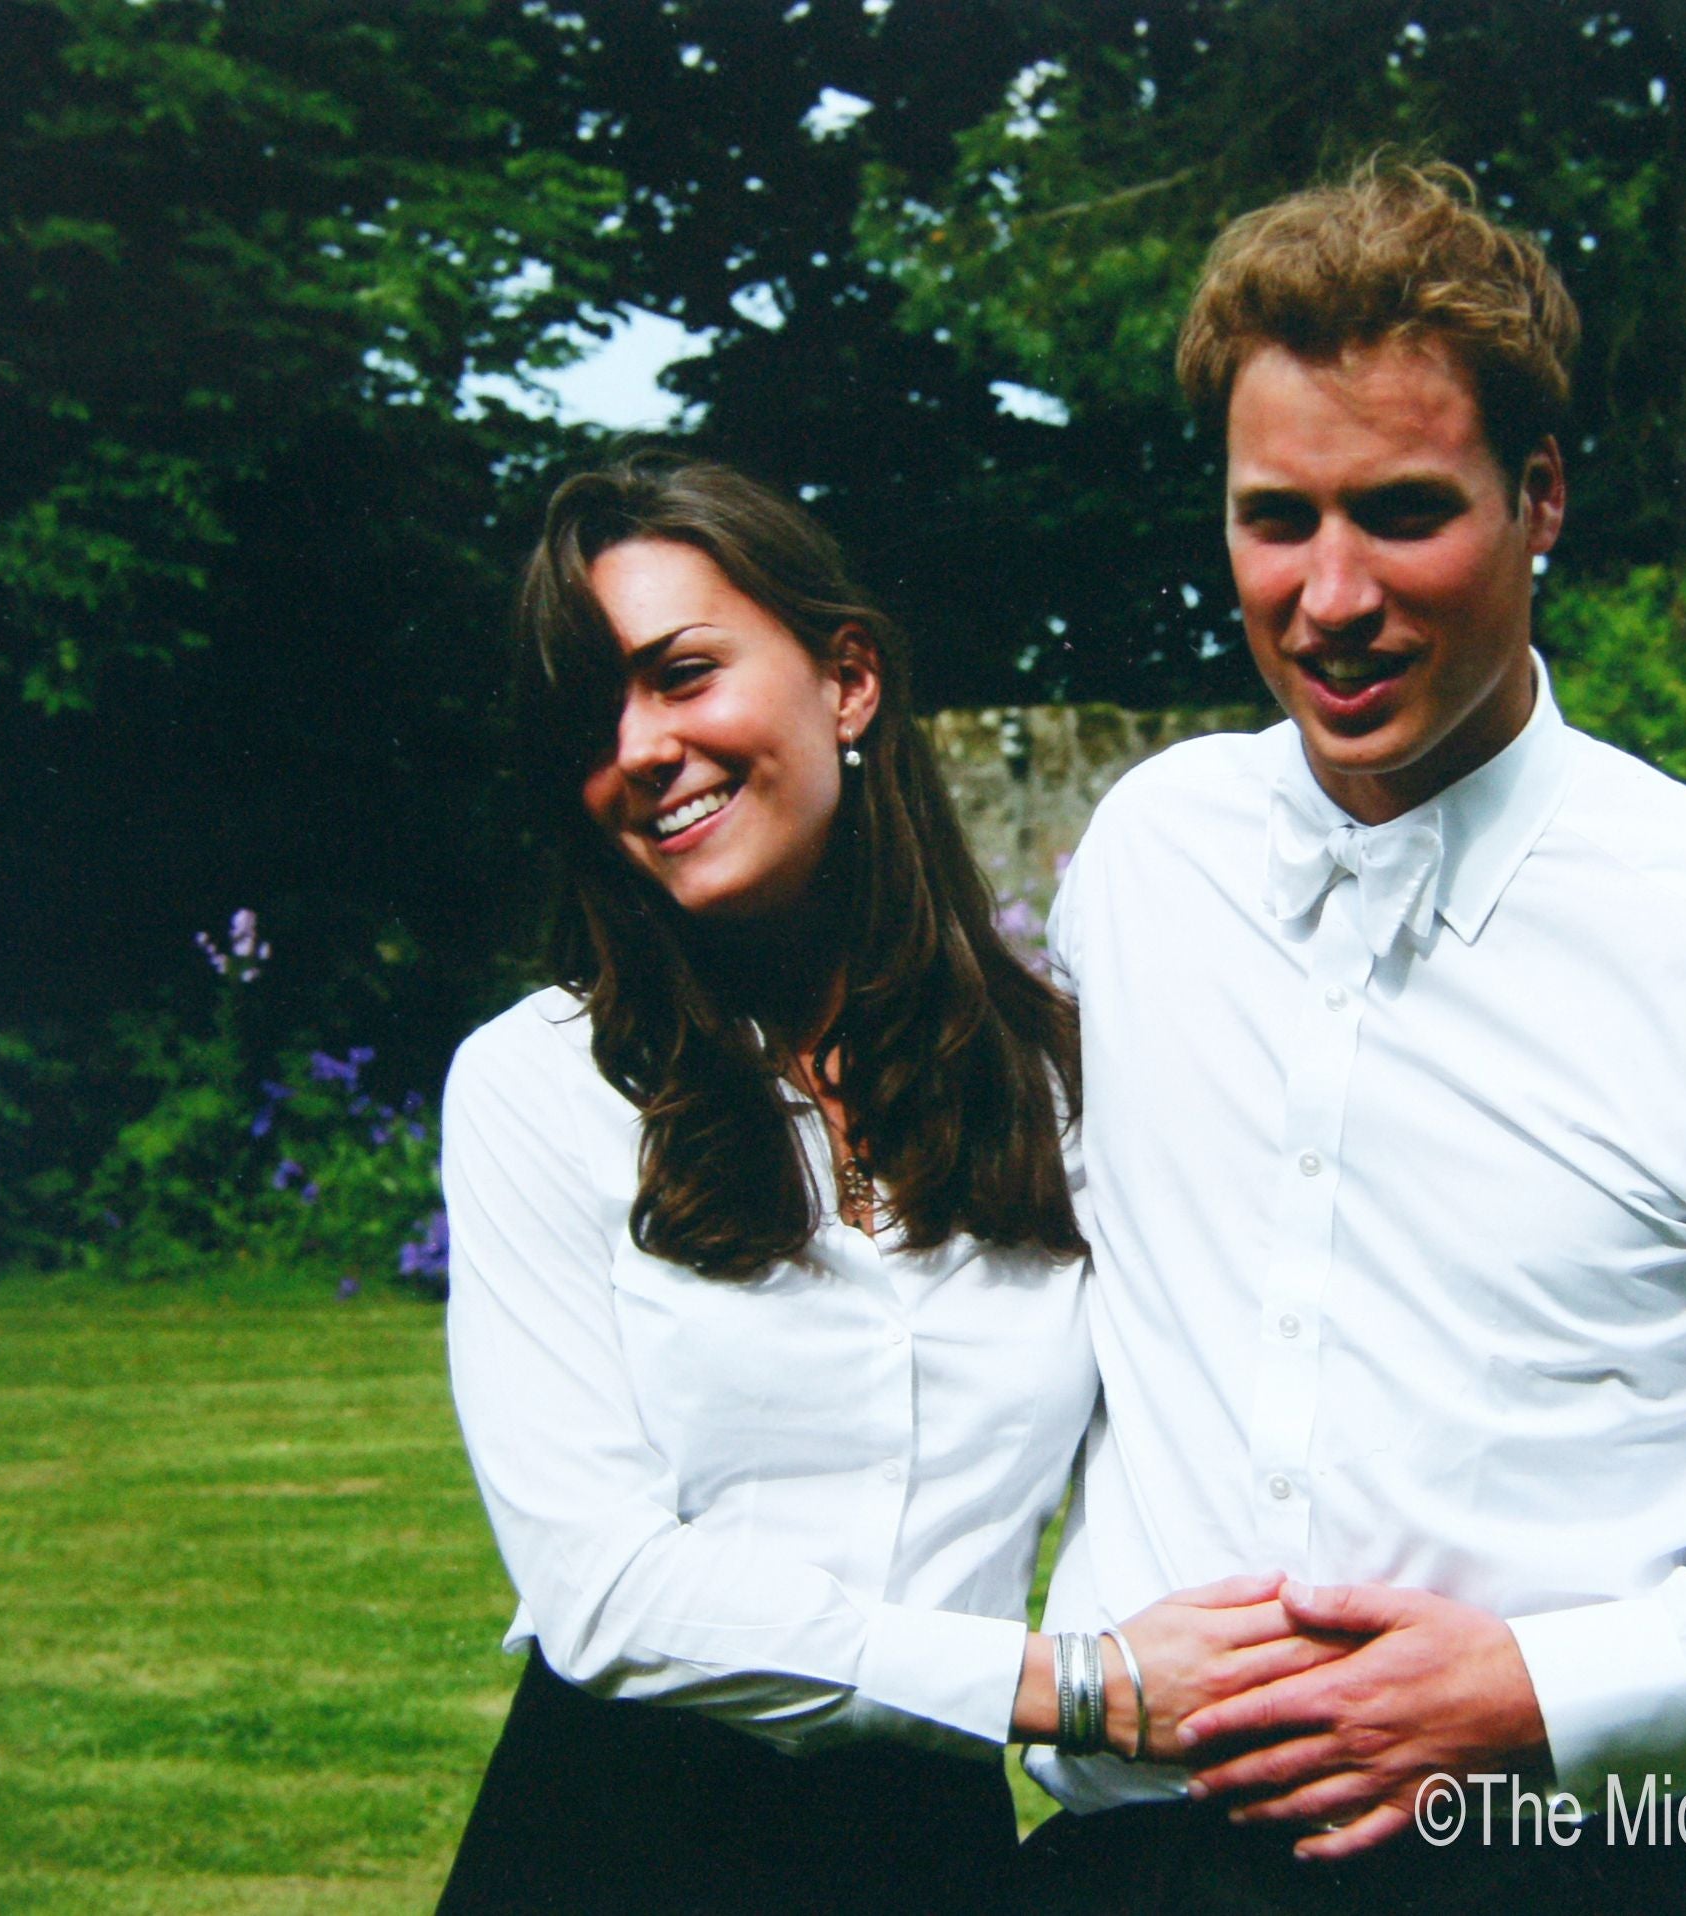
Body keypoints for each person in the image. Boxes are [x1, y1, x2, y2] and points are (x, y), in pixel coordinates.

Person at [1019, 162, 1686, 1913]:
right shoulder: (1154, 854)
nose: (1332, 592)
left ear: (1540, 500)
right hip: (1122, 1862)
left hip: (1545, 1862)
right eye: (1277, 517)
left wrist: (1547, 1689)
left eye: (1402, 509)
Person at [434, 455, 1328, 1915]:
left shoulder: (1065, 1088)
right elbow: (600, 1594)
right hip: (610, 1847)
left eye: (680, 674)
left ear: (848, 682)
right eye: (590, 715)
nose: (640, 747)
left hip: (933, 1862)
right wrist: (1068, 1688)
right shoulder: (541, 1086)